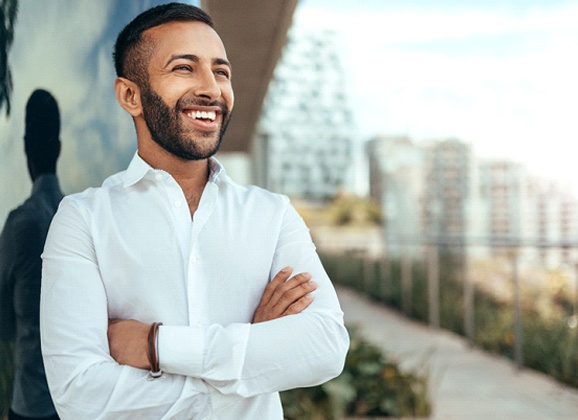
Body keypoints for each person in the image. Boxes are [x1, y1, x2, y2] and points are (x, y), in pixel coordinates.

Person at [40, 3, 349, 419]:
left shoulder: (272, 215)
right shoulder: (83, 220)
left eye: (221, 71)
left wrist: (156, 346)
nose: (211, 88)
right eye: (185, 68)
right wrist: (250, 358)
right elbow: (81, 397)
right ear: (130, 95)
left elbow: (325, 346)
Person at [0, 89, 62, 420]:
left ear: (25, 147)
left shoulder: (21, 223)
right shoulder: (78, 217)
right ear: (60, 148)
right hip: (74, 404)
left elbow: (3, 326)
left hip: (31, 407)